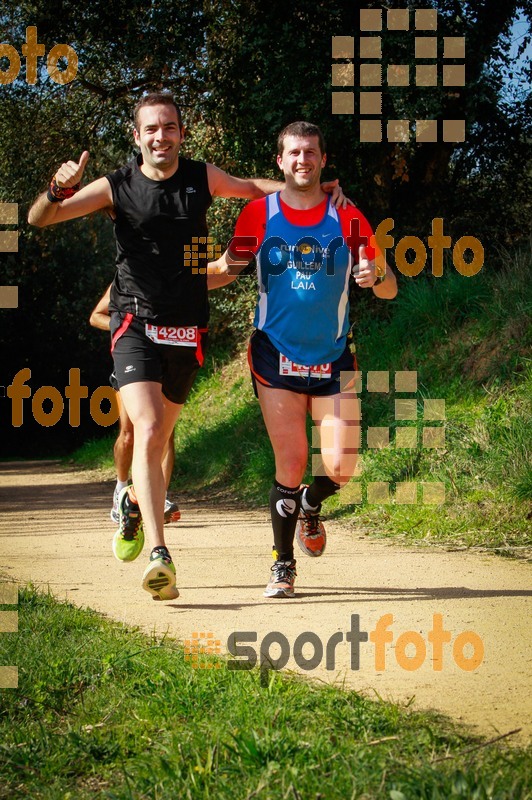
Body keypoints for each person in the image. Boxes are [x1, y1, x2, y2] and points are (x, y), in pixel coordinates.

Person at [28, 93, 347, 601]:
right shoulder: (117, 185)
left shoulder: (202, 177)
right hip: (133, 320)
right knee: (148, 429)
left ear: (181, 132)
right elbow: (40, 219)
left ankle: (134, 502)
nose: (161, 136)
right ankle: (160, 555)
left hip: (186, 329)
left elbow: (252, 191)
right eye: (151, 129)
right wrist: (55, 190)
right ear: (137, 136)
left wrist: (309, 193)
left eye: (170, 127)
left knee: (161, 438)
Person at [208, 121, 398, 598]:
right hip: (275, 355)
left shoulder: (349, 217)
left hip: (333, 358)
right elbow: (224, 271)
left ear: (322, 160)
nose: (302, 160)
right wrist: (166, 283)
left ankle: (311, 504)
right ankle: (282, 564)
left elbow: (391, 287)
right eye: (293, 153)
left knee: (341, 466)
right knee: (290, 463)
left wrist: (375, 274)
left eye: (310, 152)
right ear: (280, 161)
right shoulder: (257, 214)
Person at [89, 284, 181, 525]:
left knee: (165, 433)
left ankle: (159, 495)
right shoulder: (126, 277)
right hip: (132, 358)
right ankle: (120, 489)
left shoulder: (171, 275)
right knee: (129, 435)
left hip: (163, 360)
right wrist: (129, 327)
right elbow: (96, 316)